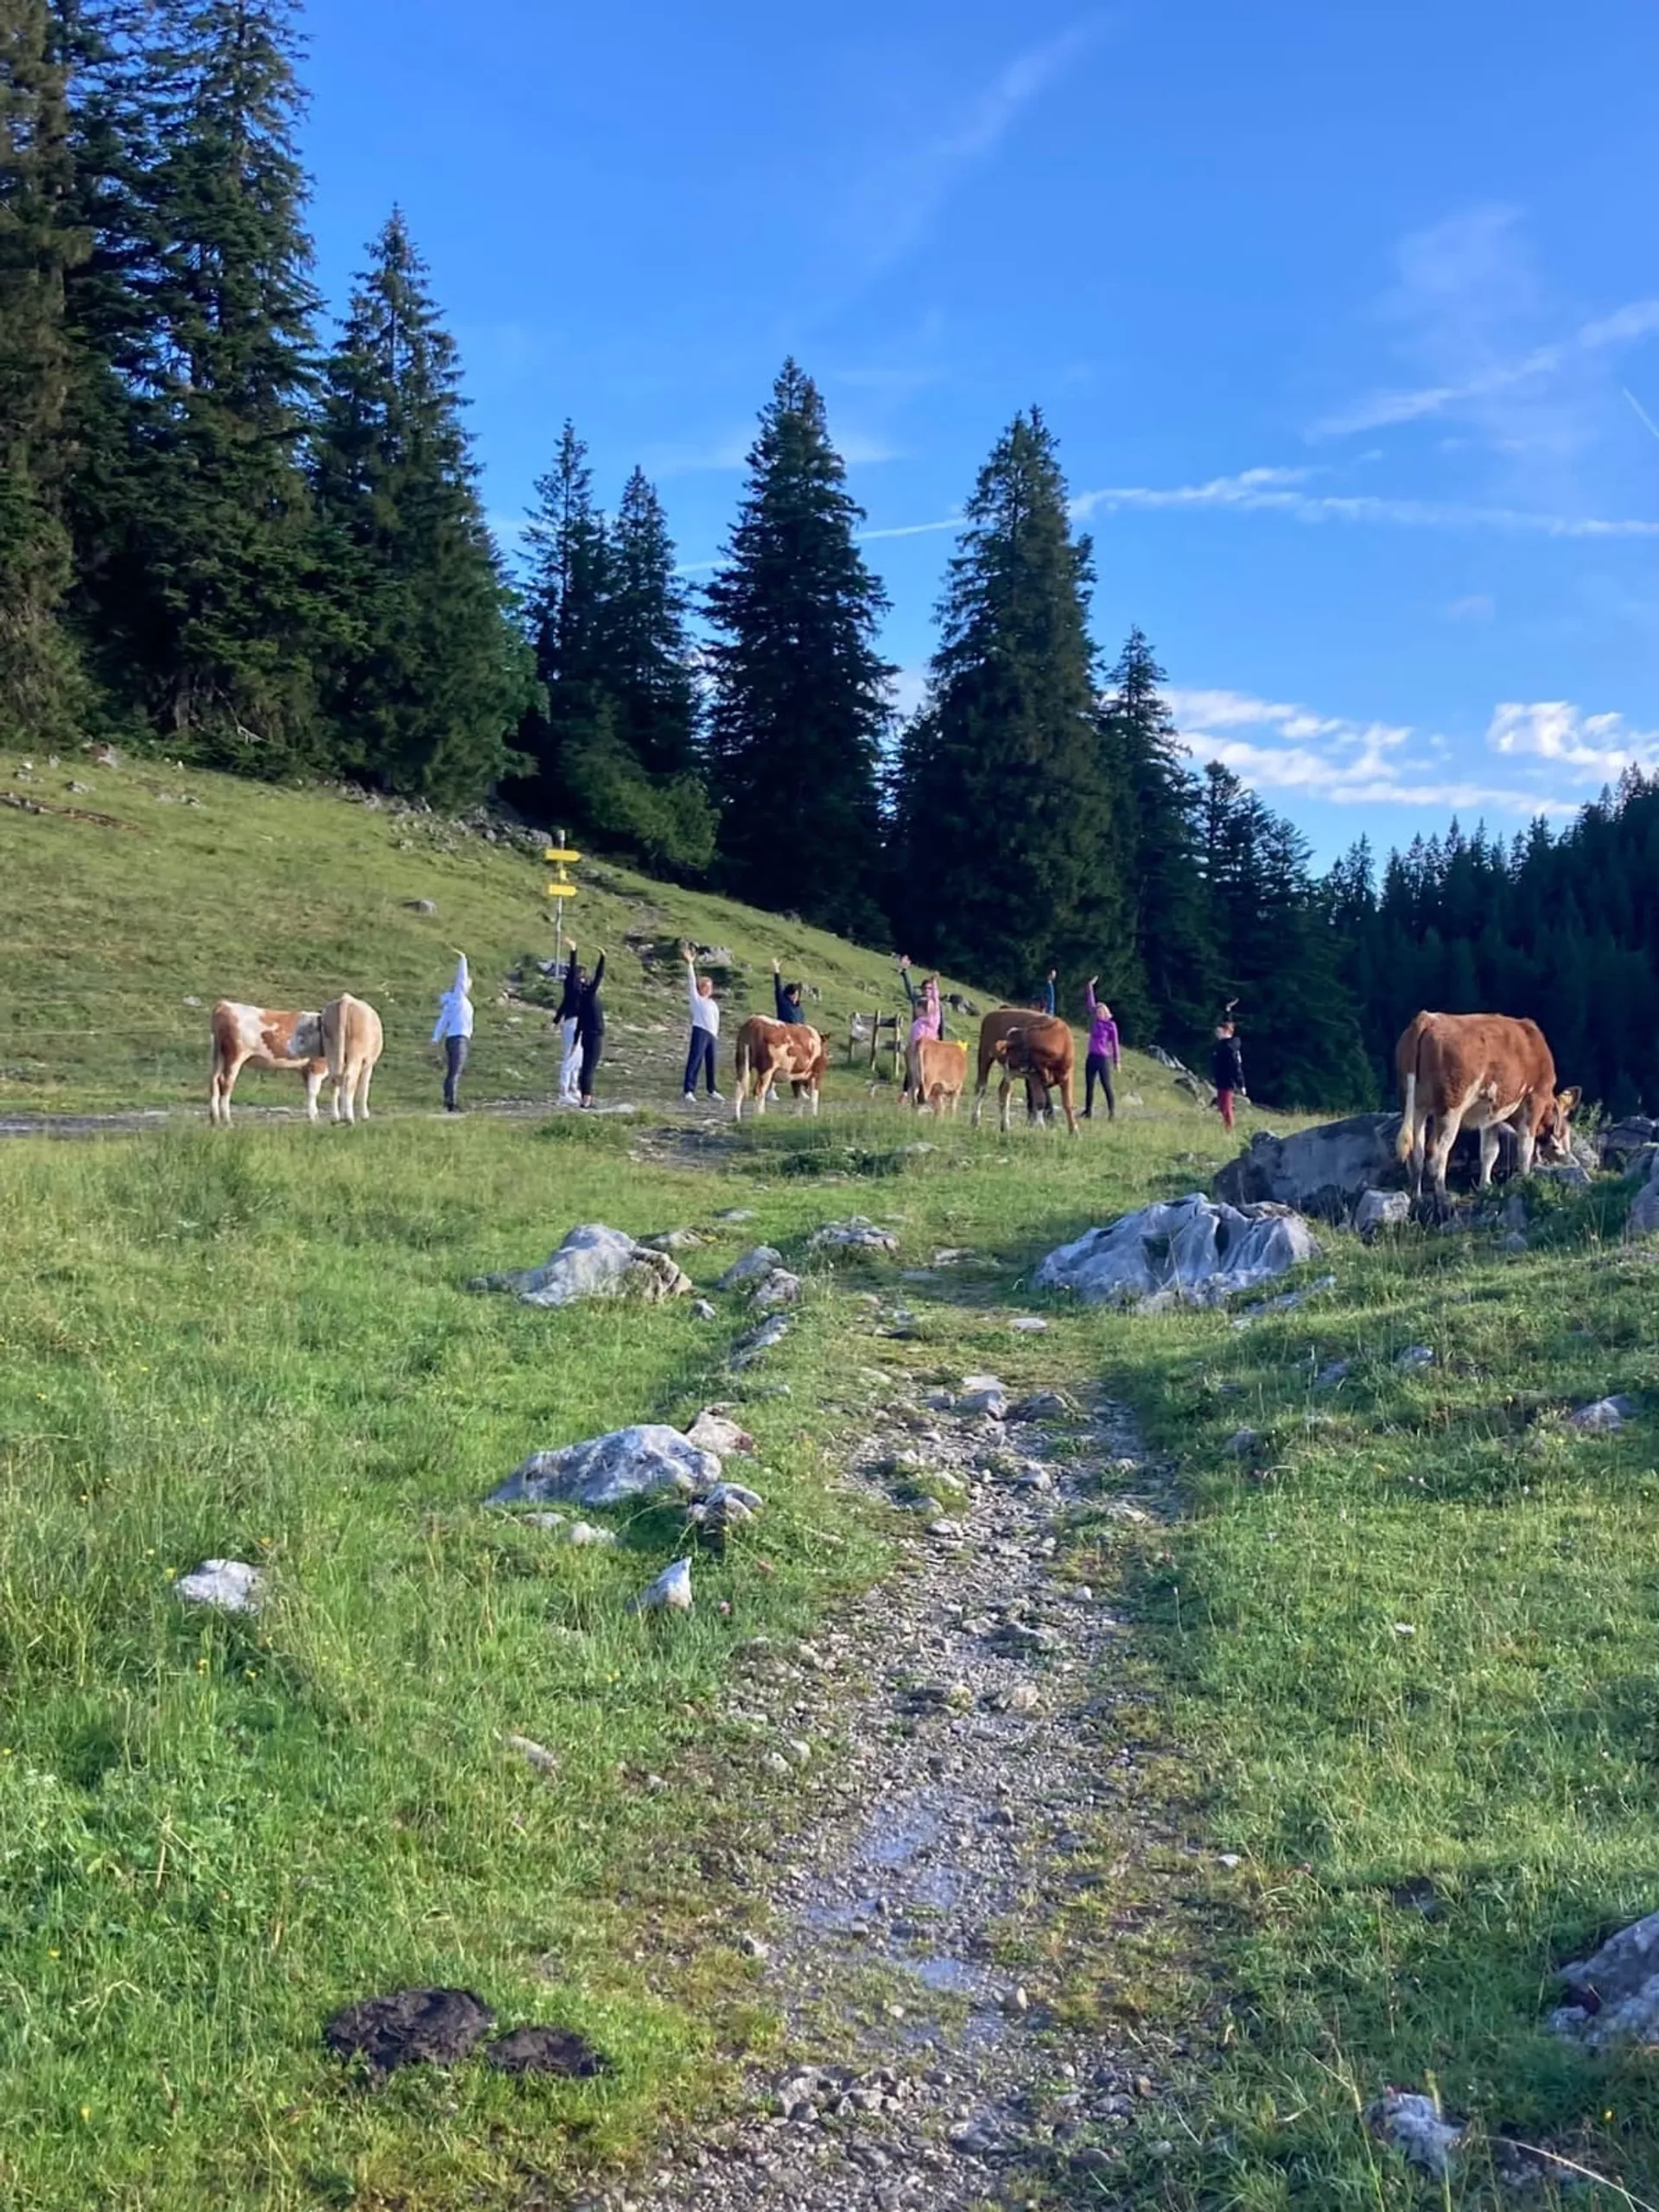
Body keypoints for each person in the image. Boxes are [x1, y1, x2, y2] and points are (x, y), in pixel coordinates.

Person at [682, 944, 723, 1105]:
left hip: (712, 1035)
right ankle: (689, 1090)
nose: (707, 989)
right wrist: (690, 964)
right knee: (695, 1060)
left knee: (711, 1062)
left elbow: (717, 1020)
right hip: (700, 1030)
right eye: (704, 987)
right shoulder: (696, 1000)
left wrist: (716, 1035)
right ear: (700, 988)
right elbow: (691, 982)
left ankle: (711, 1090)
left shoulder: (712, 1003)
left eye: (709, 987)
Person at [431, 952, 473, 1113]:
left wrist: (435, 1039)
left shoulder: (452, 1003)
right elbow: (462, 978)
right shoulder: (458, 998)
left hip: (452, 1039)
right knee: (455, 1071)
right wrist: (463, 959)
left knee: (453, 1071)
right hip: (459, 1039)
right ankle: (451, 1103)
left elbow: (442, 1022)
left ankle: (449, 1100)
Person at [1084, 979, 1121, 1121]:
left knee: (1106, 1085)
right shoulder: (1095, 1022)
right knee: (1089, 1086)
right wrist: (1090, 987)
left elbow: (1115, 1043)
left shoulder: (1111, 1025)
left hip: (1103, 1058)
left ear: (1105, 1013)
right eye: (1097, 1012)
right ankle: (1088, 1112)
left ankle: (1112, 1113)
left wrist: (1117, 1061)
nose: (1098, 1013)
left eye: (1100, 1012)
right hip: (1091, 1056)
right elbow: (1091, 1003)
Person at [554, 944, 584, 1105]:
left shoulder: (577, 992)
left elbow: (563, 1005)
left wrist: (555, 1020)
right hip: (572, 1023)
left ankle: (573, 1087)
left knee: (578, 1058)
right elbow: (572, 972)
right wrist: (573, 952)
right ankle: (563, 1091)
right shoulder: (571, 986)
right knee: (570, 1056)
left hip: (579, 1023)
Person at [575, 950, 606, 1107]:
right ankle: (586, 1099)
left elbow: (580, 1022)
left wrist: (575, 1040)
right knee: (589, 1068)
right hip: (595, 1036)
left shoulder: (581, 999)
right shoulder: (589, 994)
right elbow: (599, 976)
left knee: (586, 1067)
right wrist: (602, 958)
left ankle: (584, 1097)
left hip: (586, 1036)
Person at [1211, 1011, 1244, 1134]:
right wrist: (1228, 1012)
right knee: (1222, 1106)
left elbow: (1236, 1067)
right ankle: (1227, 1128)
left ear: (1226, 1032)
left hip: (1227, 1081)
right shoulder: (1223, 1045)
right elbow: (1229, 1023)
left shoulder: (1230, 1048)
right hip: (1221, 1080)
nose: (1217, 1034)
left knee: (1226, 1107)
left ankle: (1229, 1131)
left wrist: (1241, 1083)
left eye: (1219, 1032)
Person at [772, 957, 806, 1025]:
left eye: (796, 995)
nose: (794, 998)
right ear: (788, 995)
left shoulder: (799, 1010)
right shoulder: (783, 1001)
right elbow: (778, 986)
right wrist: (777, 970)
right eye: (793, 995)